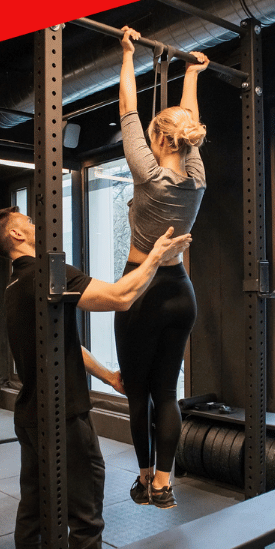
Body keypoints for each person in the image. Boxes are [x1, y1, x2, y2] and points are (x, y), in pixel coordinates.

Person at [0, 206, 191, 549]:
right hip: (66, 419)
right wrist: (156, 254)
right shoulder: (46, 273)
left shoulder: (17, 284)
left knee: (34, 510)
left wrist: (109, 376)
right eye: (30, 221)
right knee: (86, 517)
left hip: (32, 416)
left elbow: (64, 344)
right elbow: (121, 297)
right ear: (17, 234)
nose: (39, 224)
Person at [114, 27, 210, 510]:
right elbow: (185, 120)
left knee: (138, 393)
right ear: (186, 142)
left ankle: (144, 476)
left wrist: (128, 56)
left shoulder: (147, 174)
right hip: (181, 293)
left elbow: (128, 109)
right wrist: (191, 73)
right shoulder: (196, 177)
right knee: (167, 391)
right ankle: (165, 486)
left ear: (157, 139)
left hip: (141, 291)